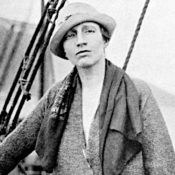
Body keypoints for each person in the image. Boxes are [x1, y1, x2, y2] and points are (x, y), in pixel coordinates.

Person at [0, 2, 175, 175]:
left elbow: (162, 166)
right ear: (64, 50)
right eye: (70, 35)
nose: (81, 41)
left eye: (89, 31)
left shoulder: (137, 92)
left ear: (104, 39)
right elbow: (9, 152)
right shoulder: (55, 97)